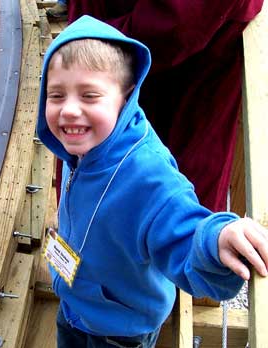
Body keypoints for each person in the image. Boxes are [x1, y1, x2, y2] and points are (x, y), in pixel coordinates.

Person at [37, 16, 268, 348]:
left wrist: (217, 237)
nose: (69, 110)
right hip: (75, 296)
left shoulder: (147, 173)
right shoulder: (81, 142)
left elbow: (182, 224)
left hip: (122, 325)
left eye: (89, 95)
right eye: (56, 95)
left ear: (125, 98)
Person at [58, 0, 264, 212]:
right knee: (87, 195)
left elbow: (176, 26)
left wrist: (83, 46)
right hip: (102, 65)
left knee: (165, 212)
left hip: (174, 91)